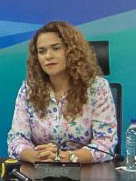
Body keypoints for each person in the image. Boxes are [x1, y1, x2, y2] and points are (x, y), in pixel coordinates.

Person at [7, 21, 117, 163]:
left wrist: (68, 157)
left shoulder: (97, 87)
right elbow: (16, 138)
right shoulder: (28, 89)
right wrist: (37, 157)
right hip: (40, 171)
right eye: (42, 51)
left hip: (86, 174)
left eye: (56, 48)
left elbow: (106, 143)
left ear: (71, 51)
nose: (48, 56)